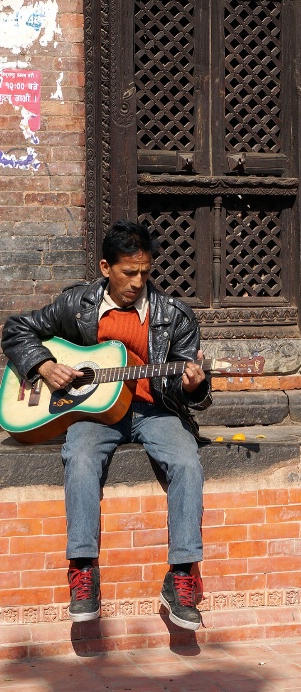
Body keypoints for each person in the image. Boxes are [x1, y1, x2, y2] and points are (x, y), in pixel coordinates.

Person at [1, 220, 211, 631]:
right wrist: (44, 365)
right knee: (79, 455)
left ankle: (182, 575)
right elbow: (16, 329)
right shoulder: (77, 305)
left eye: (145, 273)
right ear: (105, 267)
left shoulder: (174, 316)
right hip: (93, 412)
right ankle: (82, 571)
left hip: (155, 412)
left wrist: (194, 387)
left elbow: (196, 393)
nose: (137, 282)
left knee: (187, 461)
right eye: (128, 272)